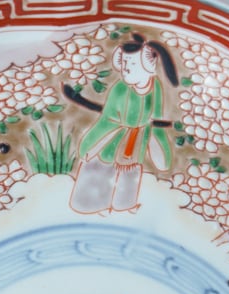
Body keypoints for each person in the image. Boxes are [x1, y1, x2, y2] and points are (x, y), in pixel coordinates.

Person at [69, 33, 179, 214]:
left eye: (132, 64)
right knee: (101, 171)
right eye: (125, 63)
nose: (126, 68)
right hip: (112, 139)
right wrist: (94, 143)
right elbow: (107, 118)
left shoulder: (156, 87)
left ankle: (124, 207)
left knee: (130, 174)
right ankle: (93, 207)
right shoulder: (120, 88)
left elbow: (156, 118)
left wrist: (158, 145)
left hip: (137, 141)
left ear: (148, 65)